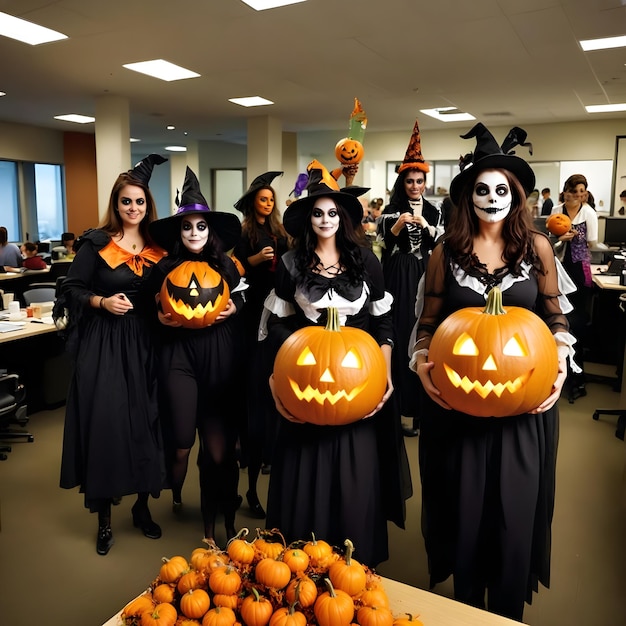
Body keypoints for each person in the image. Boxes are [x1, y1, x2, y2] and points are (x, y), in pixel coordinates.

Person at [411, 123, 575, 621]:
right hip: (458, 410)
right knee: (464, 517)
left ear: (516, 195)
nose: (492, 197)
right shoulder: (445, 254)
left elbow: (556, 318)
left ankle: (506, 613)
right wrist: (421, 363)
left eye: (502, 189)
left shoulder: (538, 249)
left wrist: (563, 364)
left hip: (523, 409)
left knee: (513, 517)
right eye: (481, 188)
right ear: (467, 196)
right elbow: (426, 323)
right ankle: (466, 610)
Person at [263, 161, 411, 568]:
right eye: (317, 212)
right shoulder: (292, 263)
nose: (325, 219)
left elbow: (384, 322)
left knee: (354, 477)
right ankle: (301, 564)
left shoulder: (367, 262)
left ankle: (350, 565)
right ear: (307, 218)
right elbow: (276, 324)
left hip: (357, 381)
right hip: (307, 381)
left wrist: (383, 373)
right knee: (303, 476)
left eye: (332, 212)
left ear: (343, 217)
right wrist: (282, 373)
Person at [59, 154, 168, 556]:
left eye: (139, 202)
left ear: (147, 205)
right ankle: (104, 521)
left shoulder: (160, 245)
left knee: (147, 422)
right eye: (126, 202)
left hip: (147, 343)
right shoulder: (96, 243)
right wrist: (101, 301)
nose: (133, 208)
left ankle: (142, 507)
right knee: (106, 425)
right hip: (105, 343)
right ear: (116, 203)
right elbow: (70, 288)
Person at [148, 167, 246, 546]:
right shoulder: (164, 268)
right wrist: (158, 316)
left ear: (210, 231)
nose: (194, 233)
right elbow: (146, 311)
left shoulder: (226, 266)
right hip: (179, 356)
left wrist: (235, 306)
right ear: (179, 231)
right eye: (187, 227)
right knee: (182, 442)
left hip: (219, 356)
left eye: (200, 227)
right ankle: (174, 483)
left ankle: (217, 522)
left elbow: (244, 296)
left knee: (219, 450)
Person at [377, 119, 441, 437]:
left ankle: (421, 409)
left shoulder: (434, 211)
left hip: (424, 270)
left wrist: (426, 226)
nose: (415, 186)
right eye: (410, 182)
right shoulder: (390, 210)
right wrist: (400, 224)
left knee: (424, 331)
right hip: (399, 272)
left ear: (424, 183)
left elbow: (440, 243)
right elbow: (384, 242)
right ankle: (398, 407)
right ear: (402, 184)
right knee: (400, 330)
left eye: (419, 181)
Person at [232, 171, 288, 519]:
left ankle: (268, 448)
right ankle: (249, 446)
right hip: (252, 306)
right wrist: (255, 260)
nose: (267, 203)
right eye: (262, 198)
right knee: (253, 376)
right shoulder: (244, 233)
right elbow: (234, 270)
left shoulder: (281, 231)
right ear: (253, 201)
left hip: (277, 302)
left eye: (271, 199)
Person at [550, 173, 598, 401]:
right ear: (566, 192)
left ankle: (577, 376)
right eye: (575, 191)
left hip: (580, 270)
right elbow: (549, 242)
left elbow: (593, 243)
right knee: (559, 320)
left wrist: (576, 240)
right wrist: (562, 240)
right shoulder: (556, 211)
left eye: (582, 191)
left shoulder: (589, 213)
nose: (579, 196)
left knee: (577, 322)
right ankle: (556, 371)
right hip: (559, 269)